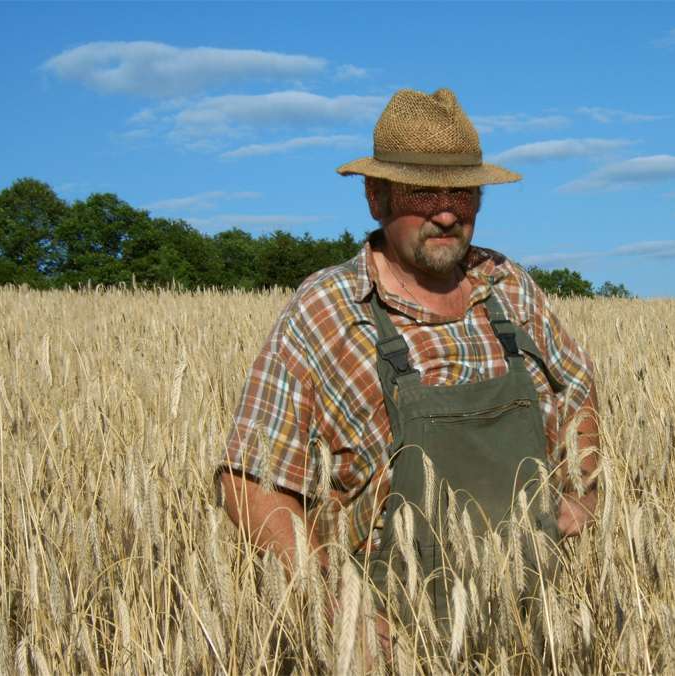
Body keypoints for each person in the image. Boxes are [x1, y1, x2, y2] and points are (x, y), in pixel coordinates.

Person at [217, 87, 599, 650]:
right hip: (397, 641)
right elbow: (249, 478)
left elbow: (578, 395)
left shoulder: (510, 288)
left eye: (463, 195)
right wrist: (331, 608)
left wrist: (582, 500)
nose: (446, 214)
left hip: (535, 630)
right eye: (423, 193)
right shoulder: (327, 310)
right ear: (376, 198)